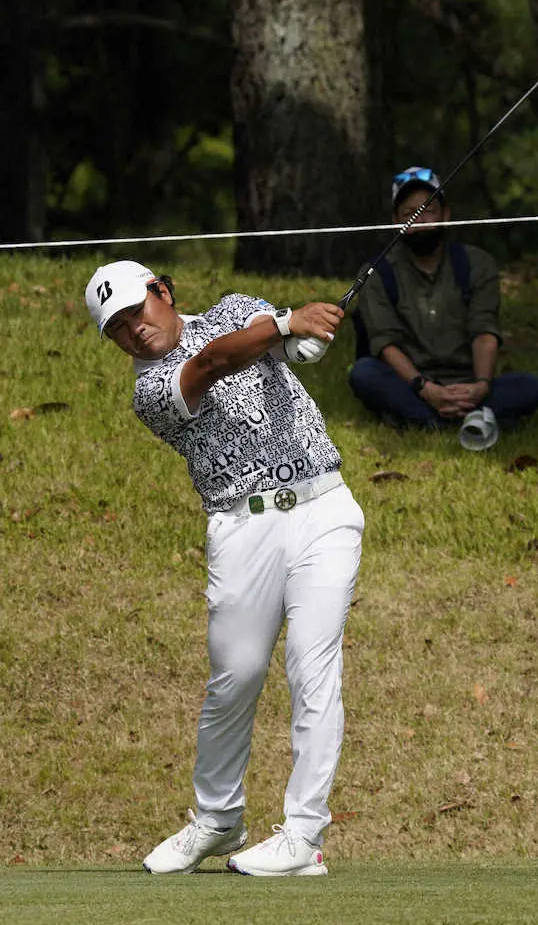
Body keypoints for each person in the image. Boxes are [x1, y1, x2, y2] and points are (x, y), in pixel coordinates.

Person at [84, 259, 364, 877]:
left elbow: (282, 347)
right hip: (240, 527)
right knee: (234, 678)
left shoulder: (240, 308)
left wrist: (305, 338)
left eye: (137, 313)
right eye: (118, 329)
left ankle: (303, 836)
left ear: (164, 290)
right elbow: (216, 363)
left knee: (312, 669)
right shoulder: (151, 391)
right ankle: (217, 820)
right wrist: (288, 321)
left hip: (323, 509)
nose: (134, 332)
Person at [349, 166, 538, 446]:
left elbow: (484, 330)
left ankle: (428, 418)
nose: (422, 220)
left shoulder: (478, 264)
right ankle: (464, 417)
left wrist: (481, 385)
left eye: (429, 210)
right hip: (412, 383)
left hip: (468, 381)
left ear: (446, 215)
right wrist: (426, 389)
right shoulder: (376, 272)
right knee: (364, 374)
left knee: (530, 387)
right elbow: (385, 343)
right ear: (396, 222)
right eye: (410, 214)